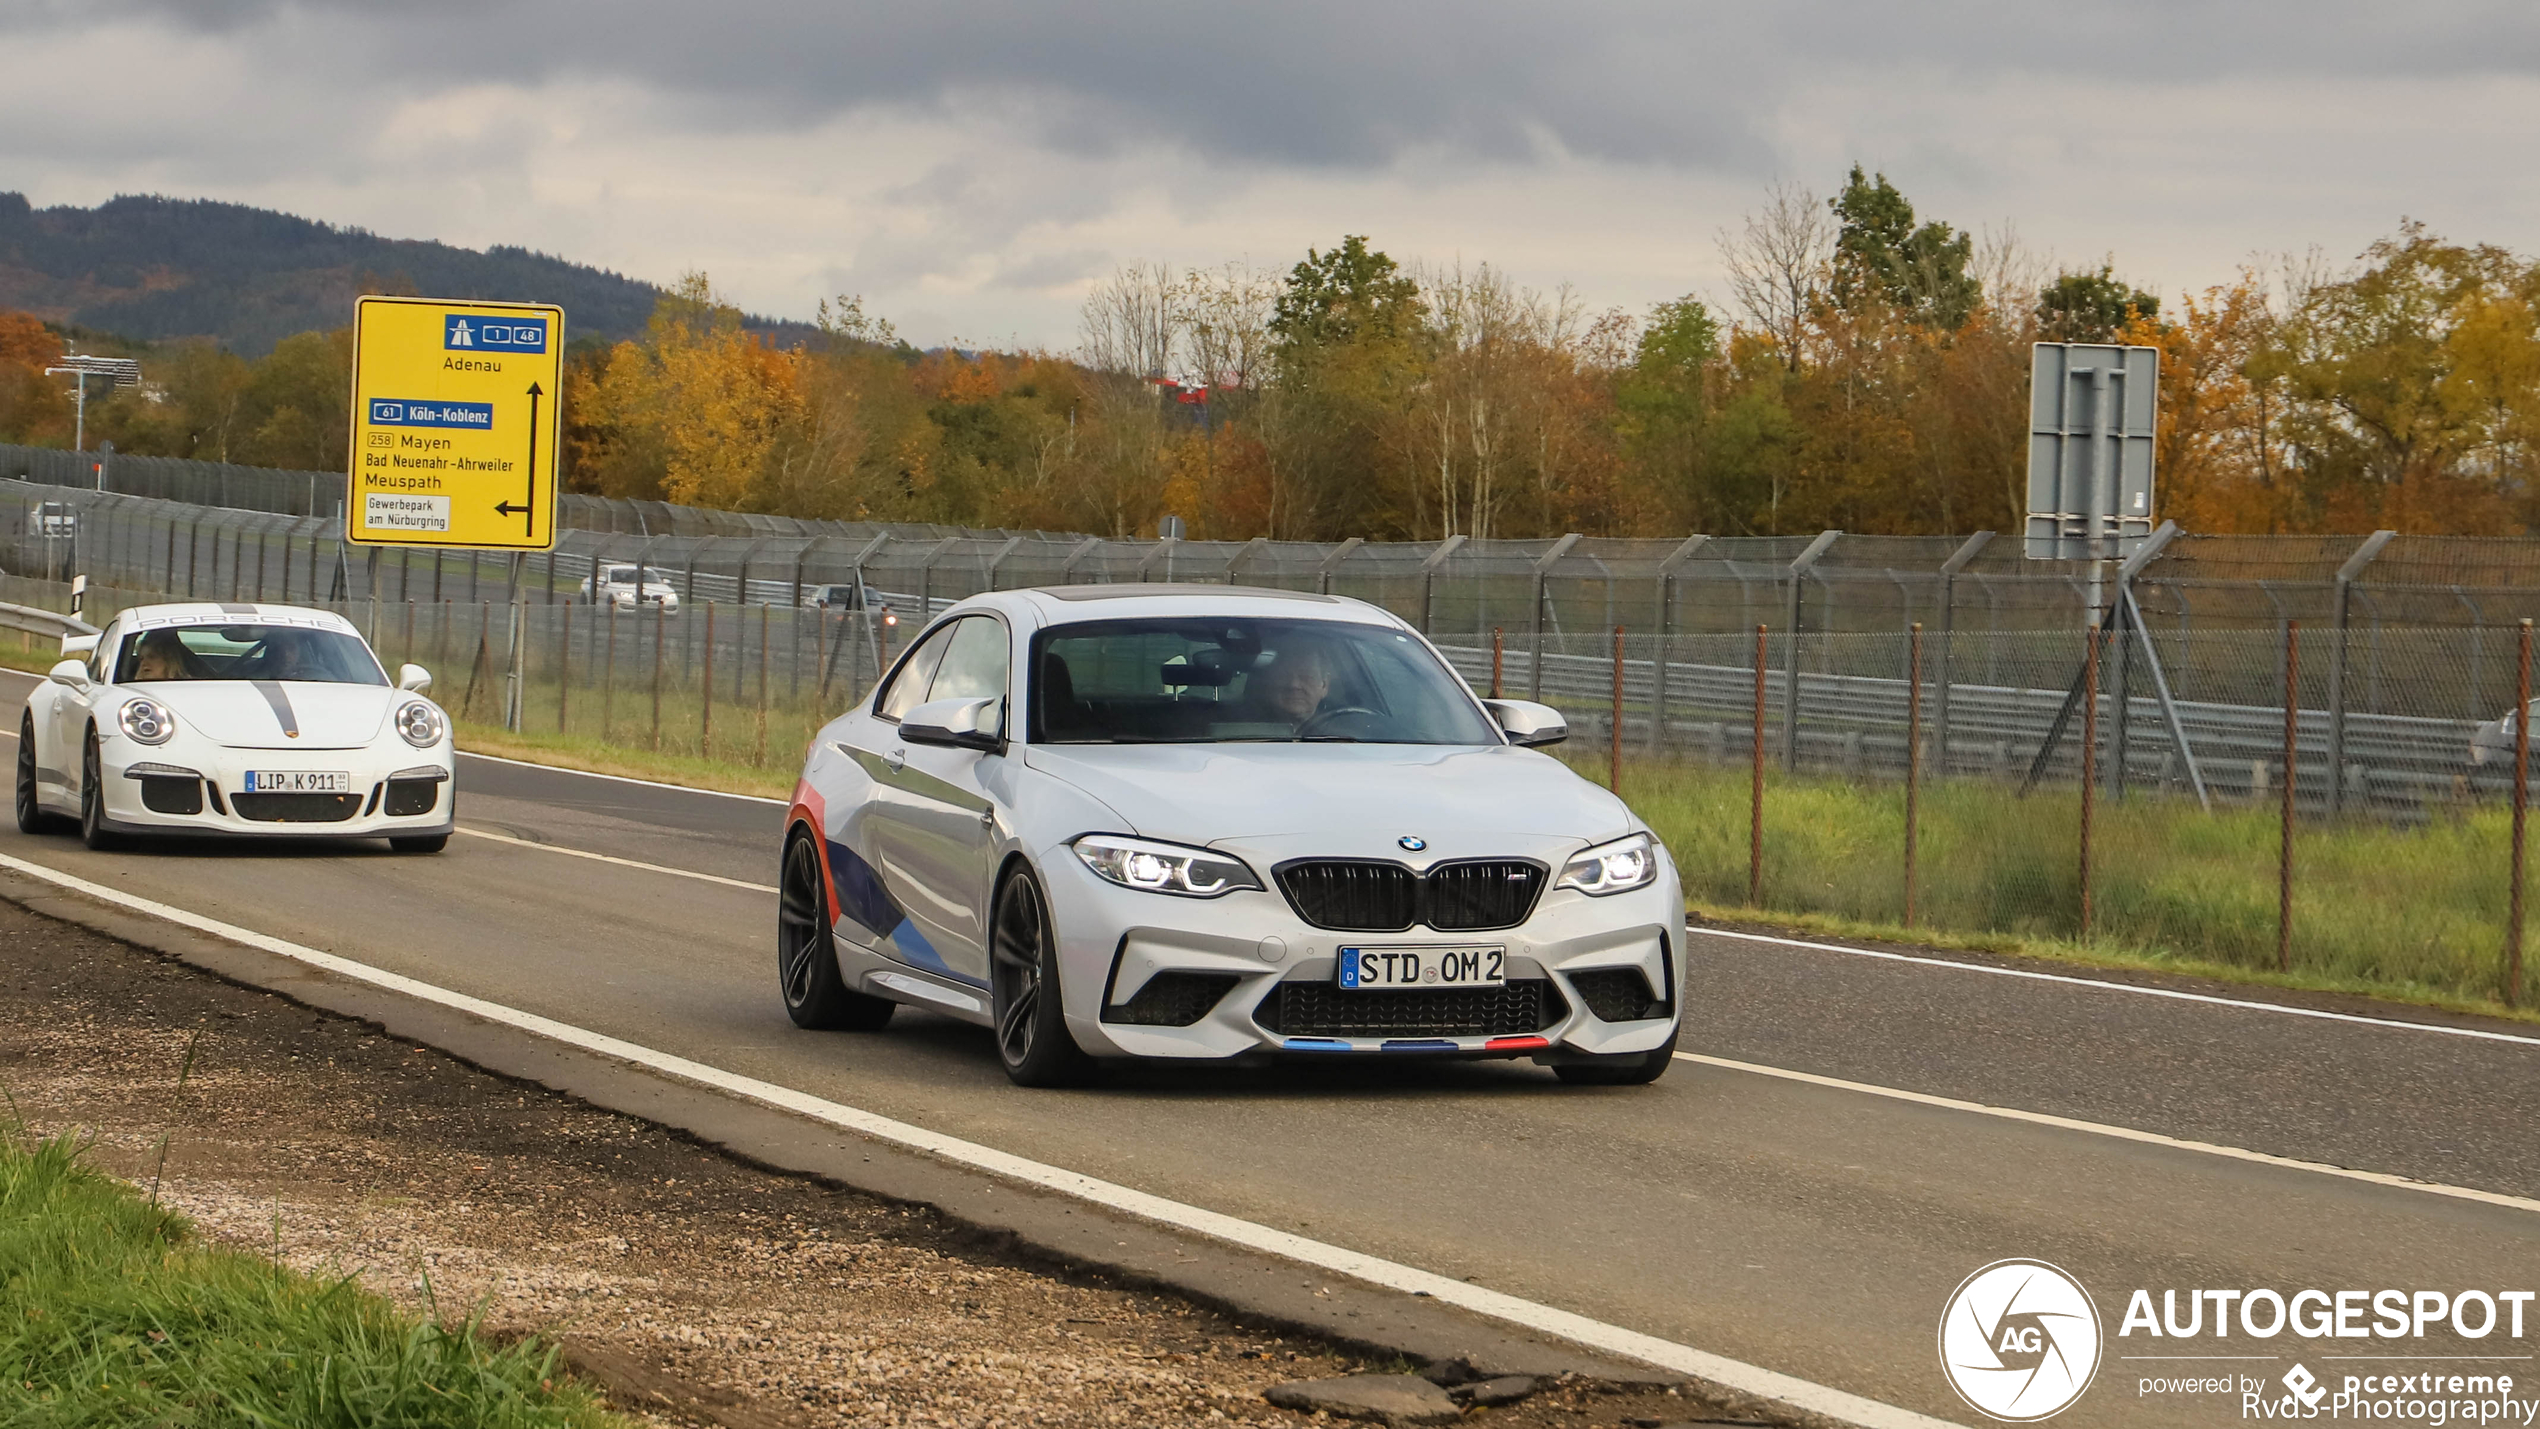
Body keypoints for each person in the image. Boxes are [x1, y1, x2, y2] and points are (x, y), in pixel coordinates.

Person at [1243, 639, 1335, 730]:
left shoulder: (1343, 733)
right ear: (1270, 682)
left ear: (1324, 685)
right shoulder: (1241, 728)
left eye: (1306, 677)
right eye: (1284, 676)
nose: (1294, 685)